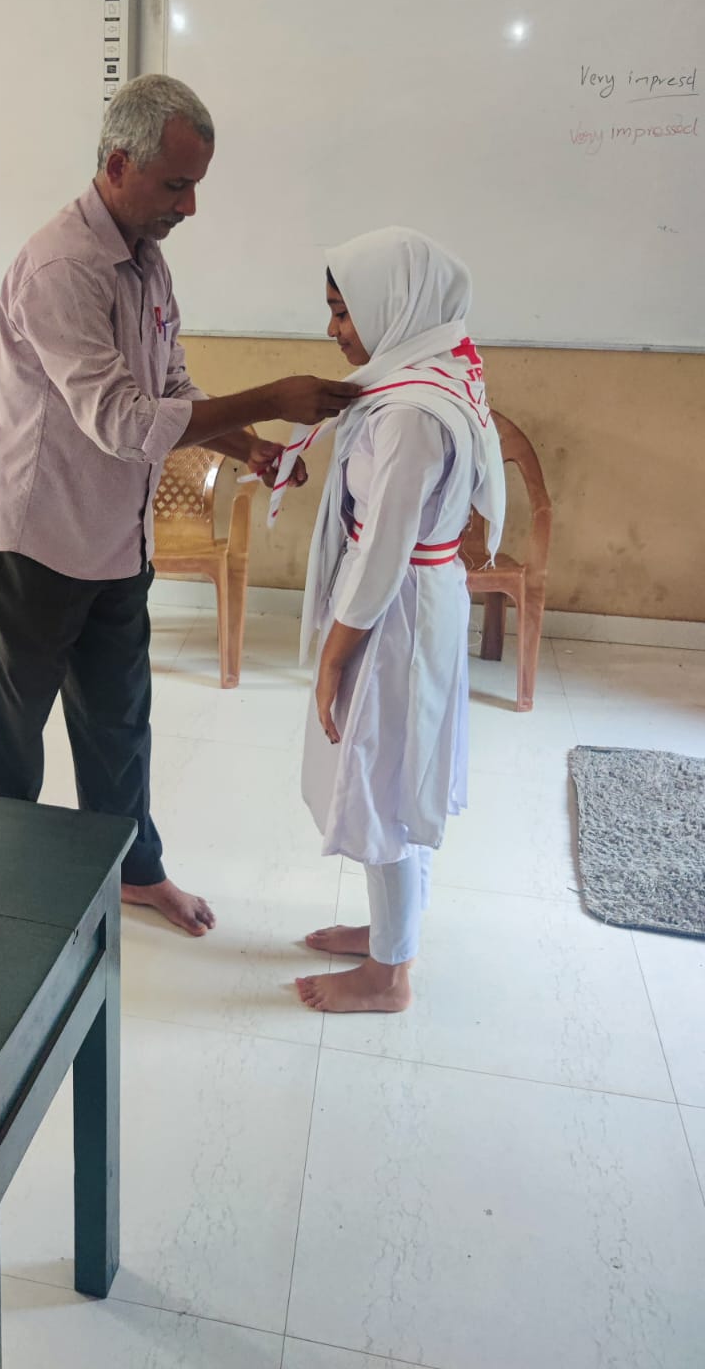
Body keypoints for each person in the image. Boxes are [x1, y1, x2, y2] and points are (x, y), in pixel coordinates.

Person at [0, 73, 358, 936]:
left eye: (196, 185)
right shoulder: (62, 267)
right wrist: (270, 396)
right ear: (117, 164)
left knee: (119, 723)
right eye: (177, 184)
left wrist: (247, 446)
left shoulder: (147, 261)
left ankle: (137, 873)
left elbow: (170, 388)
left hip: (111, 537)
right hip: (33, 539)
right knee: (10, 738)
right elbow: (125, 422)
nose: (190, 206)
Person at [291, 228, 505, 1012]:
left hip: (395, 613)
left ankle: (390, 977)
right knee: (393, 772)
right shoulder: (431, 375)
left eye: (344, 311)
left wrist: (334, 657)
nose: (333, 330)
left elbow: (384, 548)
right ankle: (390, 931)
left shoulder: (411, 412)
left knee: (382, 781)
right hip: (410, 600)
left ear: (394, 304)